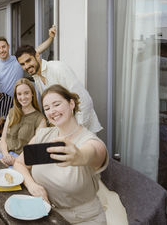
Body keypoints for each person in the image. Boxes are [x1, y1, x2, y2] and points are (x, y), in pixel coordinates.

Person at [14, 84, 108, 224]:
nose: (52, 111)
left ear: (71, 103)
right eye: (47, 108)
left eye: (56, 104)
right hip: (45, 213)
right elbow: (19, 163)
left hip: (83, 220)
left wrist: (79, 155)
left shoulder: (88, 140)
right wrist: (32, 185)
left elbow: (94, 152)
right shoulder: (43, 136)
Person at [15, 43, 102, 133]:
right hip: (64, 130)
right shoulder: (37, 78)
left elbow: (83, 100)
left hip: (81, 129)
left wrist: (77, 130)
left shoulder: (57, 68)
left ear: (37, 56)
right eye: (22, 64)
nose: (26, 66)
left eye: (28, 61)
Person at [0, 78, 46, 166]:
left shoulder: (40, 119)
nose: (23, 97)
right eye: (19, 94)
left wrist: (14, 161)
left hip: (23, 161)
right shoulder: (12, 112)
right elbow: (3, 139)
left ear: (32, 94)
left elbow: (34, 149)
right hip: (5, 155)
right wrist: (6, 155)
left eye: (26, 93)